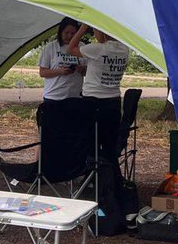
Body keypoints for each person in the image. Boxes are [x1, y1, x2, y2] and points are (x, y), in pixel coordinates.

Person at [65, 22, 129, 157]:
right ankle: (110, 175)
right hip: (113, 101)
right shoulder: (124, 49)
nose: (94, 34)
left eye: (95, 30)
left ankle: (93, 174)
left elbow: (71, 48)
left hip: (93, 102)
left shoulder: (96, 49)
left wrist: (83, 27)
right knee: (110, 145)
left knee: (90, 143)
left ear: (102, 32)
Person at [38, 17, 85, 104]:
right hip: (53, 97)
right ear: (60, 32)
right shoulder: (51, 47)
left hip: (75, 97)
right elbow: (42, 72)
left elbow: (87, 72)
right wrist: (60, 71)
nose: (69, 36)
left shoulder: (82, 47)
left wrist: (82, 70)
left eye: (73, 33)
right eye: (66, 32)